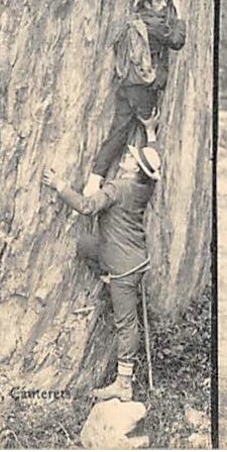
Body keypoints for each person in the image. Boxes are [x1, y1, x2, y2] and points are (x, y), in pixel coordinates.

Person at [43, 145, 161, 402]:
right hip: (132, 255)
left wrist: (59, 185)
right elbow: (152, 163)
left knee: (126, 324)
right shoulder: (146, 187)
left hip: (124, 267)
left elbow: (86, 206)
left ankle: (124, 384)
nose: (126, 158)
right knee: (85, 245)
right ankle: (105, 276)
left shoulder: (117, 189)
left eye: (130, 158)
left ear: (134, 168)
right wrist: (150, 133)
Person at [85, 0, 186, 194]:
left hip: (127, 82)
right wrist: (180, 15)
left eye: (165, 0)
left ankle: (94, 178)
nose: (164, 4)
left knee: (119, 131)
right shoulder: (156, 25)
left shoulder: (137, 16)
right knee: (150, 127)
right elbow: (177, 41)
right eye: (160, 1)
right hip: (144, 87)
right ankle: (142, 184)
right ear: (150, 5)